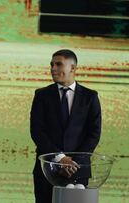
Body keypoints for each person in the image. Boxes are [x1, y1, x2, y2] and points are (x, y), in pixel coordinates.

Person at [30, 49, 101, 203]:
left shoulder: (90, 97)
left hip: (78, 170)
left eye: (58, 64)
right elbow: (37, 131)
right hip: (47, 170)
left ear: (73, 68)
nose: (53, 69)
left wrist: (73, 163)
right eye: (52, 64)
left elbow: (94, 133)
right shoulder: (41, 95)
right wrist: (60, 158)